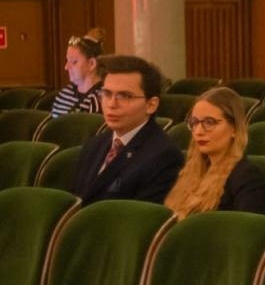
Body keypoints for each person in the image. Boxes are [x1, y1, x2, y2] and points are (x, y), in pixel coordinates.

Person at [72, 54, 184, 204]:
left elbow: (139, 220)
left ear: (151, 105)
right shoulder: (94, 145)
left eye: (124, 96)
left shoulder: (164, 156)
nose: (112, 104)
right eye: (107, 94)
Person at [163, 87, 265, 217]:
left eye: (209, 122)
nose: (198, 131)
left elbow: (246, 233)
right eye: (194, 122)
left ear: (234, 128)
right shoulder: (191, 171)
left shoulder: (249, 180)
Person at [50, 29, 105, 117]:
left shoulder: (101, 99)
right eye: (67, 61)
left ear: (92, 64)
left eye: (74, 62)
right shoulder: (64, 94)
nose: (66, 67)